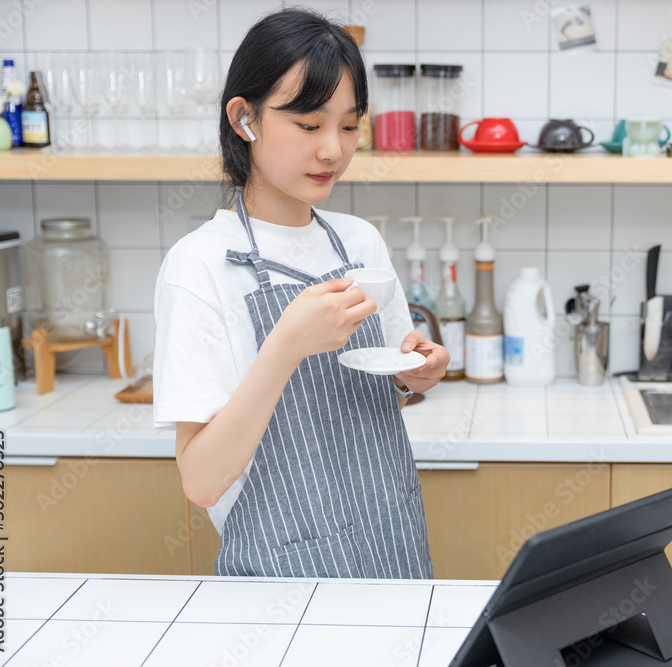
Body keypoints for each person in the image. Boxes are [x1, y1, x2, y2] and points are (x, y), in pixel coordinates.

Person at [152, 8, 448, 579]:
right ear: (245, 119)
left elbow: (382, 383)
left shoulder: (360, 243)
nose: (333, 150)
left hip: (392, 550)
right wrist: (286, 345)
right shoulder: (200, 264)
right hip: (279, 575)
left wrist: (417, 377)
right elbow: (201, 481)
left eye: (349, 125)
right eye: (309, 125)